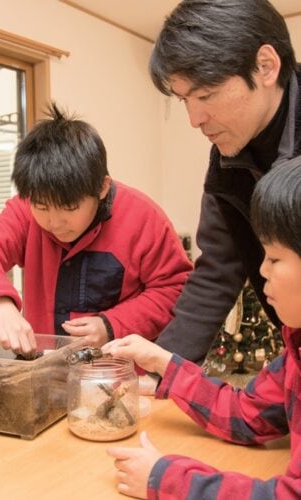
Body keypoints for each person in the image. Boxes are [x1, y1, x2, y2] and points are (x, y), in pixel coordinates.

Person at [103, 158, 301, 499]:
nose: (262, 271)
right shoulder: (296, 350)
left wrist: (166, 480)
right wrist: (163, 362)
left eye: (274, 258)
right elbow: (247, 414)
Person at [0, 103, 192, 356]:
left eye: (69, 208)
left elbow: (174, 289)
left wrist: (111, 325)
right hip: (46, 369)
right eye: (42, 207)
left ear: (102, 188)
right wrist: (0, 304)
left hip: (118, 371)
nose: (54, 223)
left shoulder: (143, 217)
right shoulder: (24, 211)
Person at [149, 0, 300, 366]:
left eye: (205, 95)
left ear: (266, 66)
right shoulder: (227, 159)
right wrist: (157, 368)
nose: (194, 118)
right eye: (185, 99)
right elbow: (216, 274)